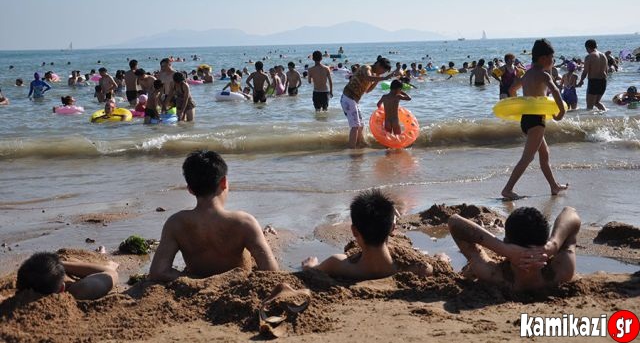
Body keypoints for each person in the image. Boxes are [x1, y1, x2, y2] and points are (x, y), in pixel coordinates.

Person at [149, 150, 278, 282]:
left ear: (190, 189)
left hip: (197, 279)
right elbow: (271, 271)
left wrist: (195, 281)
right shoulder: (244, 222)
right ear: (224, 182)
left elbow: (158, 271)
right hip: (237, 283)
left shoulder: (176, 223)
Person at [301, 189, 434, 280]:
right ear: (392, 229)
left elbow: (312, 270)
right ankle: (393, 217)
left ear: (354, 231)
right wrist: (442, 258)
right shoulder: (416, 268)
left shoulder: (338, 264)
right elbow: (434, 267)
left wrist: (309, 265)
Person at [448, 206, 580, 291]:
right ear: (544, 242)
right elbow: (570, 211)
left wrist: (502, 248)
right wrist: (554, 244)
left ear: (507, 241)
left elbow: (454, 221)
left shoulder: (494, 275)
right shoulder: (561, 272)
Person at [501, 39, 568, 200]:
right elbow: (556, 92)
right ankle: (507, 189)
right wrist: (560, 113)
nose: (553, 61)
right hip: (537, 121)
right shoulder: (544, 75)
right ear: (544, 58)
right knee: (528, 157)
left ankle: (554, 186)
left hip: (526, 119)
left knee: (544, 154)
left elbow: (512, 90)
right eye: (552, 57)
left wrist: (521, 105)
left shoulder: (527, 74)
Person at [16, 252, 119, 300]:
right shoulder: (77, 292)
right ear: (62, 289)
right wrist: (62, 264)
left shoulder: (10, 302)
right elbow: (110, 273)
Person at [341, 56, 392, 148]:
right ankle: (351, 148)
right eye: (383, 71)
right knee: (355, 126)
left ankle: (360, 145)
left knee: (361, 125)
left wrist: (378, 79)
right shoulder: (366, 68)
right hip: (348, 98)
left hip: (353, 101)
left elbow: (368, 90)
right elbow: (368, 78)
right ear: (379, 65)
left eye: (383, 73)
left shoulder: (374, 74)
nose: (382, 73)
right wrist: (384, 78)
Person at [577, 39, 608, 111]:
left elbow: (585, 71)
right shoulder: (604, 56)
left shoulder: (589, 56)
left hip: (594, 81)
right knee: (597, 102)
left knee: (589, 106)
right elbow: (606, 71)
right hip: (603, 81)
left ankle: (589, 121)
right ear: (596, 46)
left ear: (587, 47)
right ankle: (605, 115)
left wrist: (581, 81)